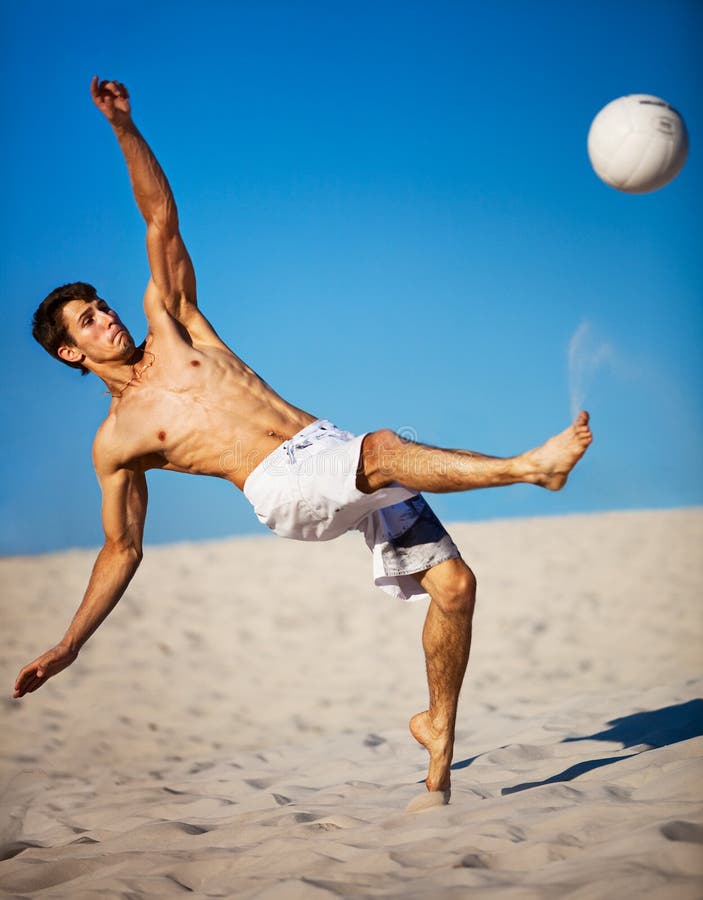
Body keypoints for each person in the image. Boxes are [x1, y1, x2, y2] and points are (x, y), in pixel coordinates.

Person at [14, 78, 593, 801]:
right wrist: (70, 644)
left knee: (454, 587)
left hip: (327, 447)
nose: (106, 319)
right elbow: (122, 548)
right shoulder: (116, 441)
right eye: (88, 322)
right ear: (72, 353)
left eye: (99, 305)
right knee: (383, 449)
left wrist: (124, 129)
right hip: (282, 487)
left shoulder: (171, 320)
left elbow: (159, 216)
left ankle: (436, 729)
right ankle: (529, 469)